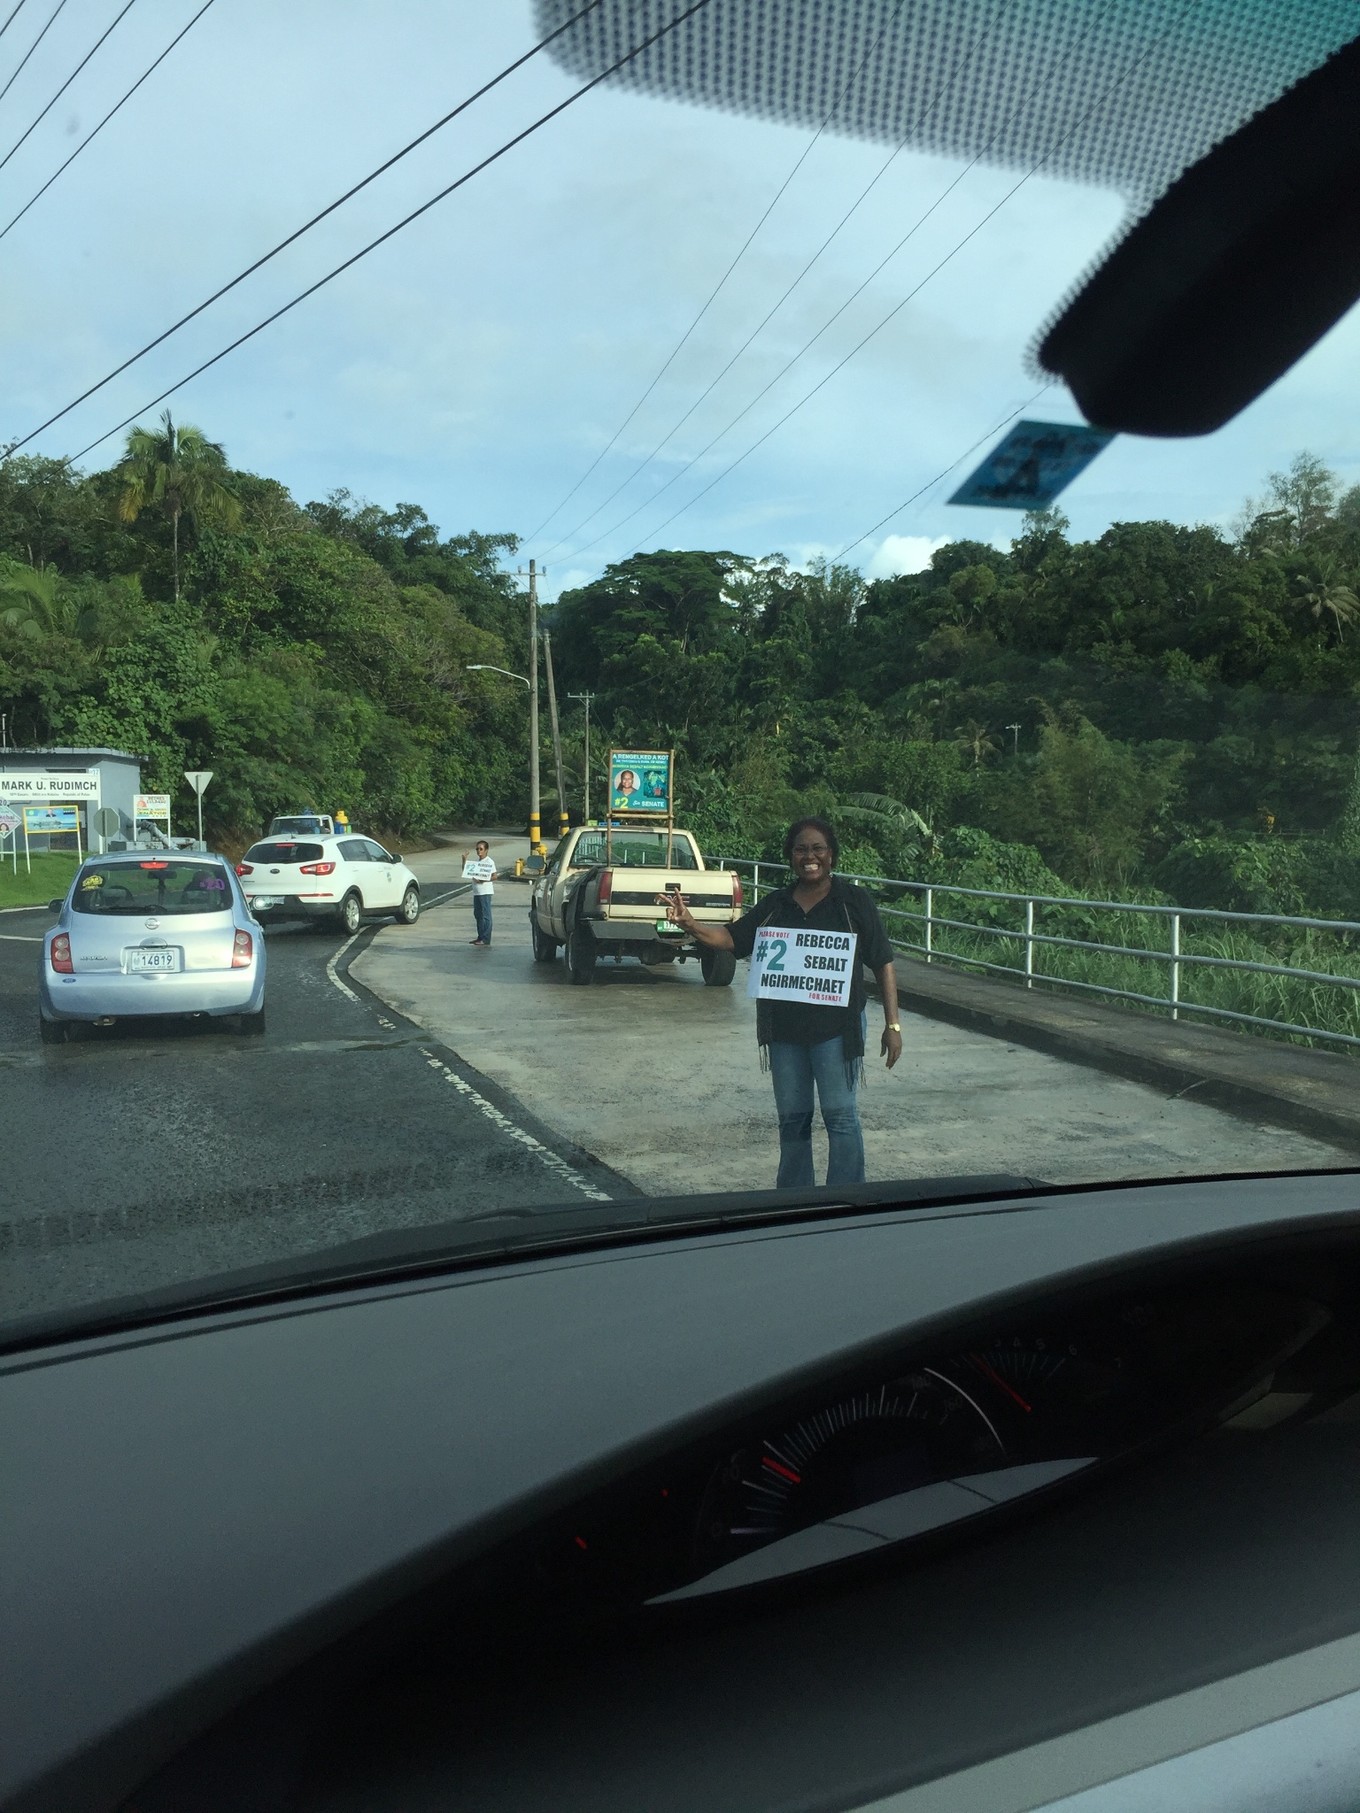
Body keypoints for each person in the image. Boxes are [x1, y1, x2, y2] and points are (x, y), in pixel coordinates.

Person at [659, 817, 901, 1188]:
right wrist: (690, 924)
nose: (810, 857)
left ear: (831, 855)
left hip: (837, 1031)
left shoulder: (853, 902)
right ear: (791, 856)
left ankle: (847, 1199)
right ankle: (793, 1200)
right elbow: (732, 938)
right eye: (801, 849)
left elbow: (883, 961)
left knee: (840, 1118)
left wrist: (892, 1025)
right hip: (785, 1033)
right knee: (792, 1120)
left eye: (818, 848)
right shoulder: (777, 905)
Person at [462, 840, 497, 947]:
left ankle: (486, 938)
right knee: (478, 914)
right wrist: (464, 860)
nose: (479, 851)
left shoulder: (489, 862)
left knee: (486, 915)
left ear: (486, 850)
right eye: (477, 849)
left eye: (481, 849)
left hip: (485, 892)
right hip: (477, 892)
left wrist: (484, 880)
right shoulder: (478, 862)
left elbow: (495, 876)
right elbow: (466, 871)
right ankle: (480, 936)